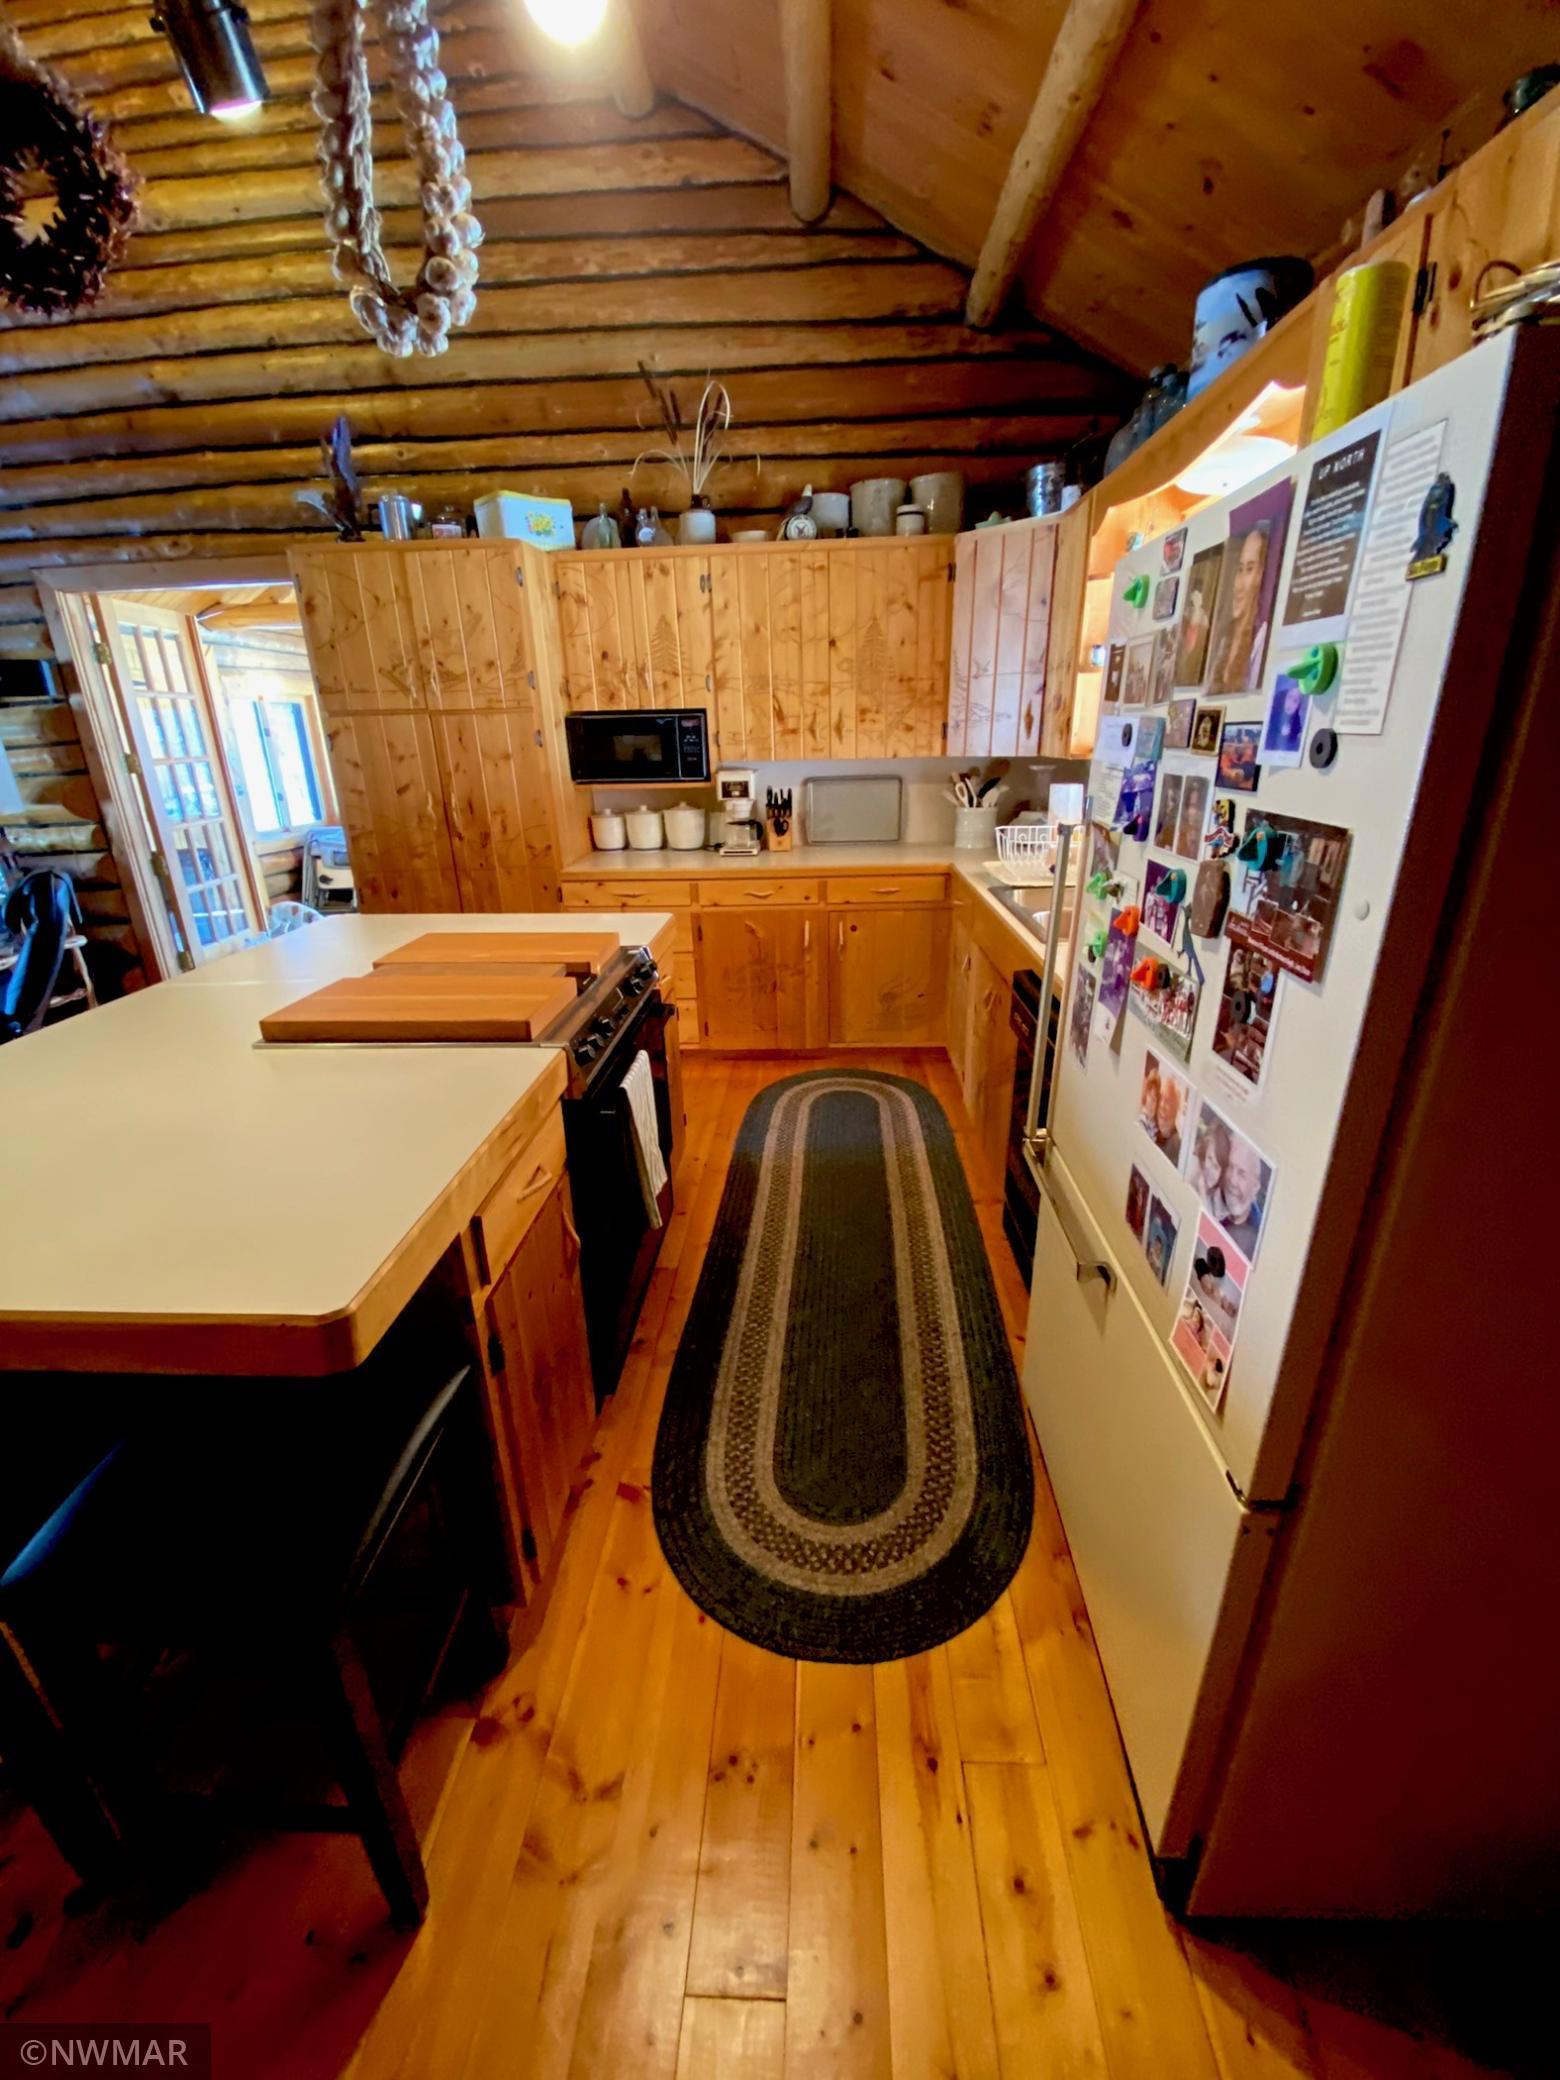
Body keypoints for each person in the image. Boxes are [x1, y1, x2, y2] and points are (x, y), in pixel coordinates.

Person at [1209, 524, 1270, 695]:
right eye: (1239, 570)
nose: (1240, 585)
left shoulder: (1261, 639)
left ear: (1260, 575)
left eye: (1250, 569)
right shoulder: (1223, 640)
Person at [1213, 1134, 1266, 1255]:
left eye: (1242, 1173)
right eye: (1230, 1167)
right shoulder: (1210, 1200)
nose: (1232, 1180)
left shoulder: (1259, 1238)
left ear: (1255, 1187)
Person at [1154, 1071, 1183, 1165]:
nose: (1162, 1105)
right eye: (1161, 1098)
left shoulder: (1176, 1145)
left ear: (1175, 1107)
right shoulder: (1152, 1127)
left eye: (1167, 1101)